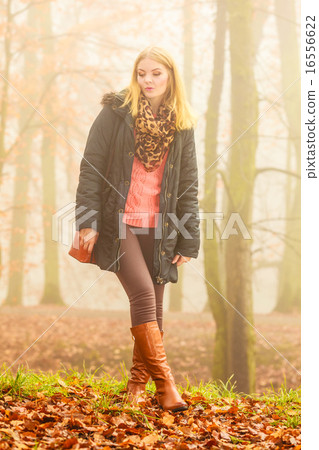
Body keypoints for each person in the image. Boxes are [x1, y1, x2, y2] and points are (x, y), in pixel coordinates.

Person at [75, 46, 200, 412]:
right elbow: (91, 167)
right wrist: (88, 220)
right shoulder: (115, 114)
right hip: (119, 223)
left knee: (155, 312)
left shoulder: (183, 125)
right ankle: (166, 387)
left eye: (155, 73)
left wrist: (188, 238)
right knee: (144, 295)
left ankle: (134, 389)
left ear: (170, 76)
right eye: (142, 73)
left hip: (161, 228)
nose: (147, 80)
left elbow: (189, 185)